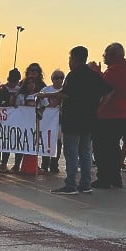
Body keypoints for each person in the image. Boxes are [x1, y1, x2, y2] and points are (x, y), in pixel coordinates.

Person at [38, 46, 112, 194]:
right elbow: (109, 91)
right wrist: (99, 108)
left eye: (70, 58)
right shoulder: (94, 75)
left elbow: (65, 94)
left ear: (75, 59)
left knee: (71, 152)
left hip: (73, 119)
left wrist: (45, 96)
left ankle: (70, 184)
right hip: (89, 119)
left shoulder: (73, 75)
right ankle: (85, 184)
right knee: (85, 152)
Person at [92, 43, 126, 189]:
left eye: (105, 54)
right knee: (114, 148)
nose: (103, 57)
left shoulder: (115, 70)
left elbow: (103, 88)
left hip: (108, 114)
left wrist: (96, 72)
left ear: (113, 56)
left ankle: (103, 178)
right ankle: (115, 177)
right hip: (123, 113)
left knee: (102, 148)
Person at [39, 69, 65, 173]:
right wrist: (48, 104)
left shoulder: (64, 90)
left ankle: (54, 164)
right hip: (47, 121)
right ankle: (44, 164)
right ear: (52, 79)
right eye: (56, 78)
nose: (58, 80)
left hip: (59, 120)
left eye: (60, 78)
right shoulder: (46, 89)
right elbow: (41, 99)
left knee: (58, 142)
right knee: (46, 141)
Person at [0, 68, 22, 172]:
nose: (13, 84)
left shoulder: (20, 89)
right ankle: (3, 163)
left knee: (19, 142)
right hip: (6, 120)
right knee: (5, 142)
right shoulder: (3, 89)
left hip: (18, 120)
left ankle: (17, 165)